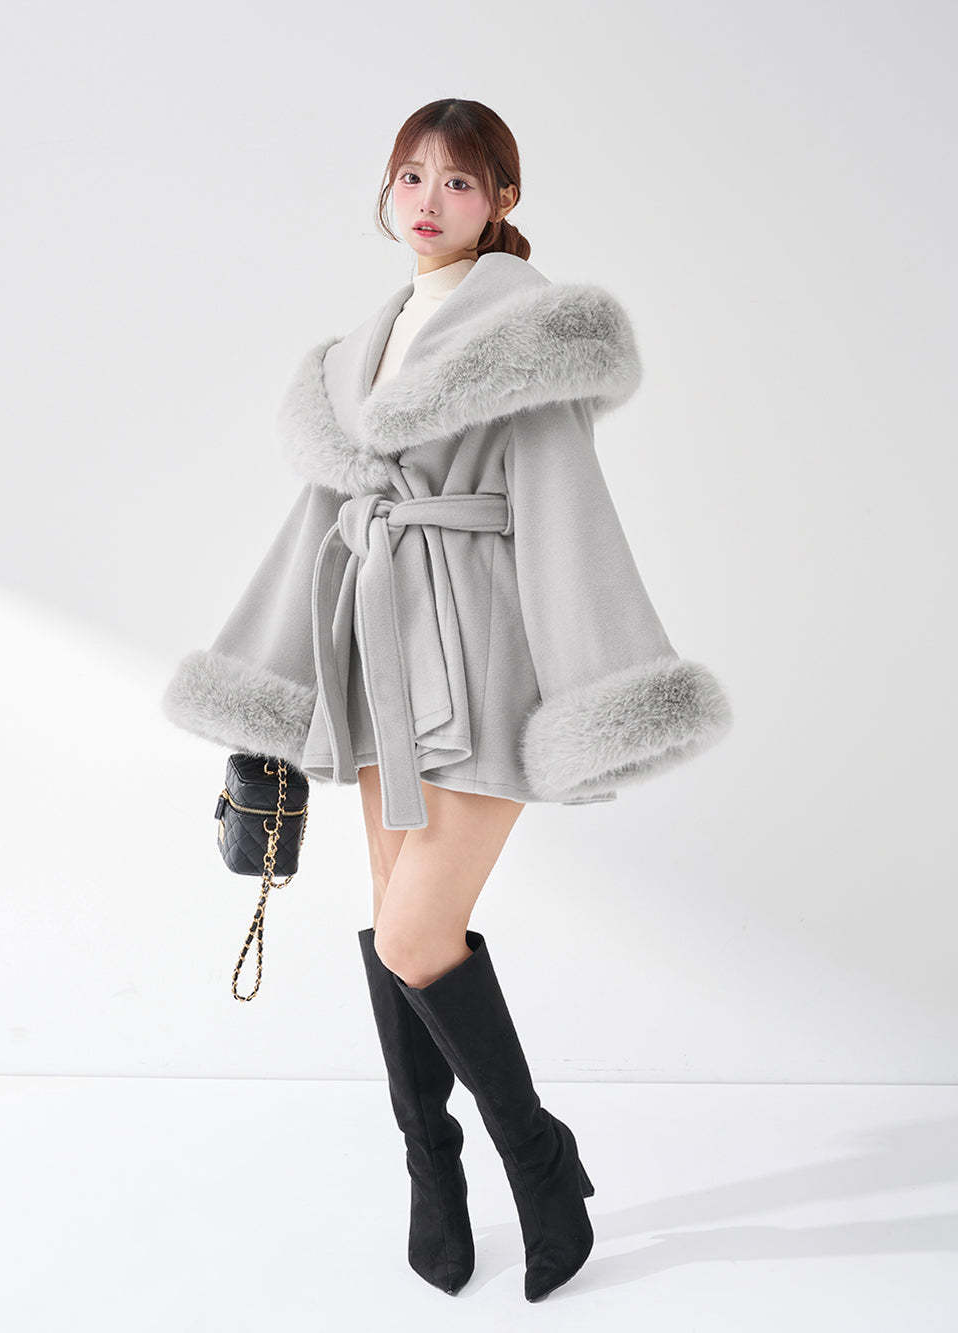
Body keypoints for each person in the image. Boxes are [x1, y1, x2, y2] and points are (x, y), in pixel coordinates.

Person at [161, 98, 733, 1302]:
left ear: (503, 200)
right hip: (376, 662)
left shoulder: (524, 334)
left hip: (482, 662)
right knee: (393, 927)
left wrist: (597, 689)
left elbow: (569, 514)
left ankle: (537, 1157)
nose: (429, 200)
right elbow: (314, 528)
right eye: (411, 176)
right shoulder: (352, 351)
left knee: (415, 936)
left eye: (460, 181)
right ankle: (432, 1167)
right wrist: (266, 695)